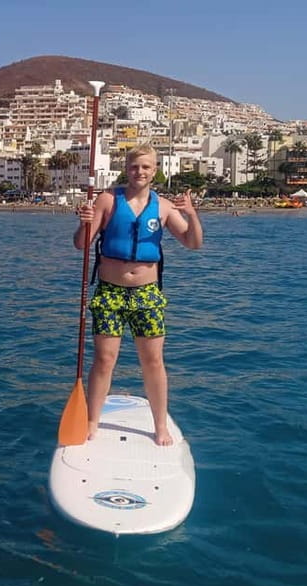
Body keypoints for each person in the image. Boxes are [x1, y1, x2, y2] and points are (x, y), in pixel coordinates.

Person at [73, 144, 203, 446]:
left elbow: (193, 243)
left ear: (154, 170)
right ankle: (92, 420)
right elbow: (81, 244)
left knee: (153, 361)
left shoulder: (165, 206)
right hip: (110, 292)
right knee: (104, 360)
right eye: (134, 167)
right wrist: (85, 222)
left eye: (145, 167)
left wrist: (193, 216)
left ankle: (160, 425)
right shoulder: (107, 200)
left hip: (147, 294)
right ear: (126, 169)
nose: (139, 172)